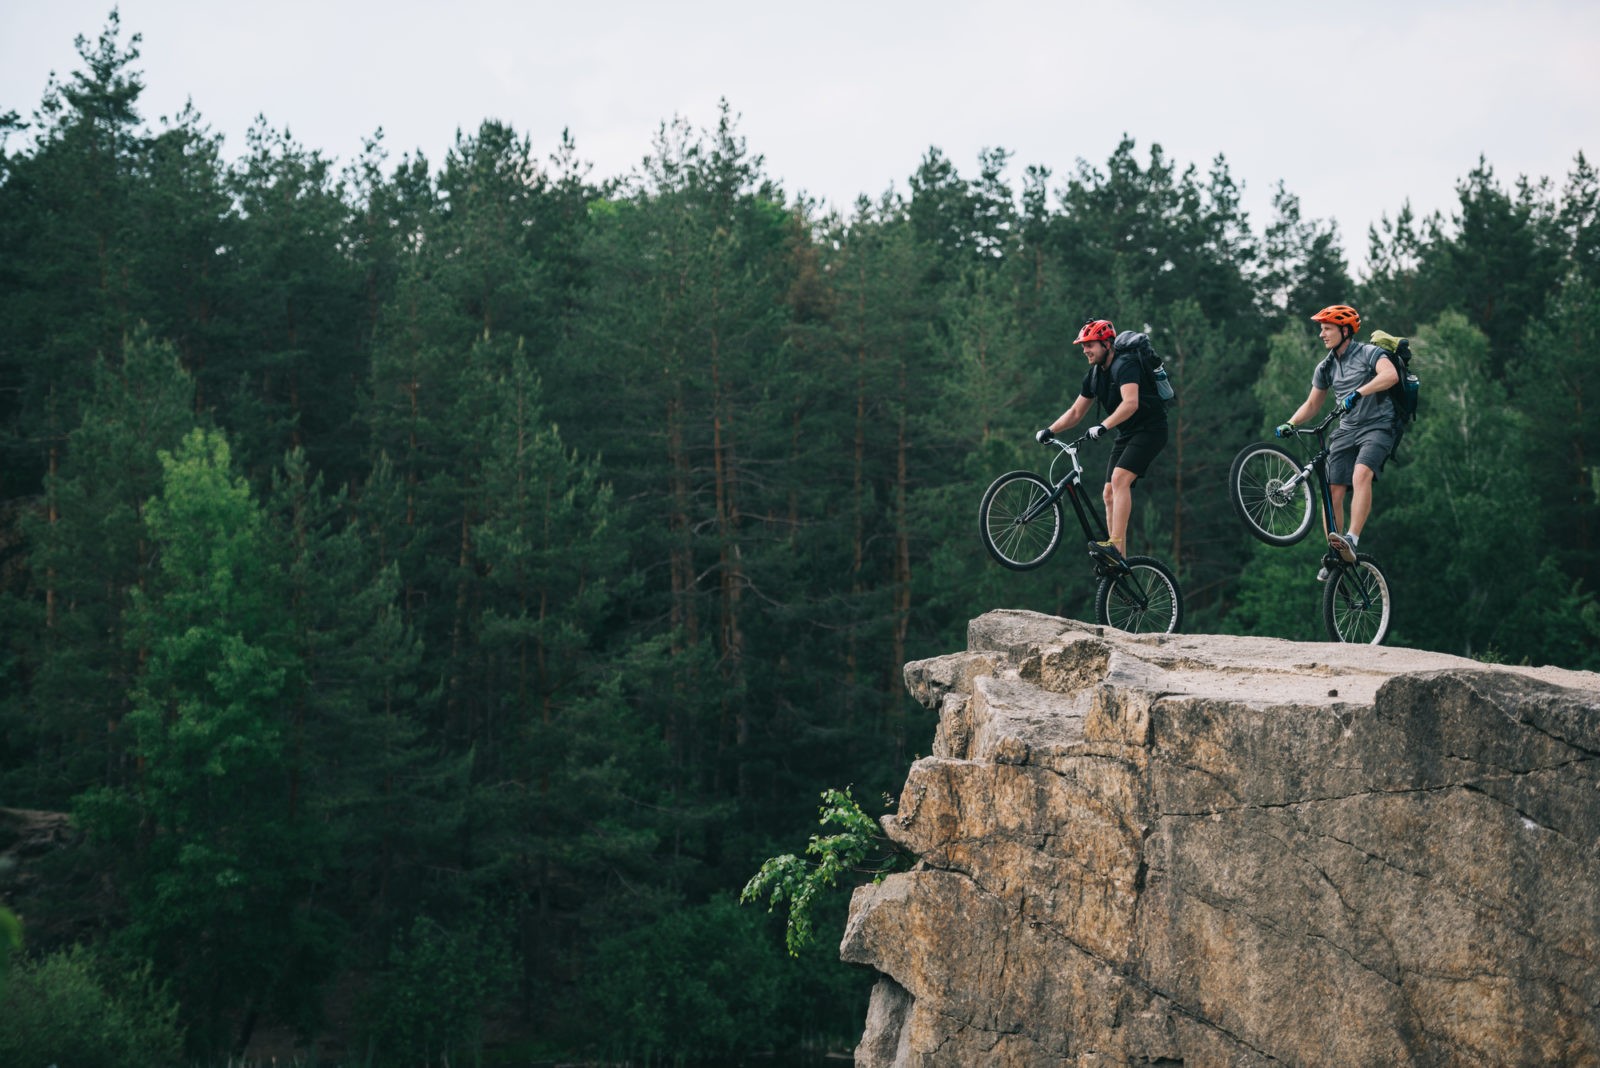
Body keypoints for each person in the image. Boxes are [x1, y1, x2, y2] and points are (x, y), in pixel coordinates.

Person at [1275, 303, 1399, 580]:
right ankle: (1337, 550)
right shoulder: (1326, 367)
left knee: (1361, 473)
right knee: (1331, 490)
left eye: (1327, 328)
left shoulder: (1369, 353)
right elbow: (1312, 403)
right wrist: (1291, 423)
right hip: (1346, 430)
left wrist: (1359, 392)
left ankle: (1353, 538)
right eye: (1321, 329)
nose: (1322, 334)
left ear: (1345, 330)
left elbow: (1390, 376)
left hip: (1378, 426)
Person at [1034, 318, 1169, 562]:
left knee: (1119, 480)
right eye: (1083, 346)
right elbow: (1076, 413)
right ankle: (1119, 558)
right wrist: (1050, 430)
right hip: (1126, 433)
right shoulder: (1095, 375)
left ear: (1107, 344)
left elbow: (1131, 403)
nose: (1085, 350)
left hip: (1151, 430)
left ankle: (1115, 546)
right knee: (1108, 493)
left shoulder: (1125, 365)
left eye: (1090, 345)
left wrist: (1103, 426)